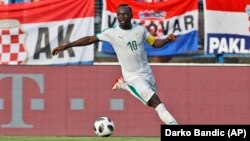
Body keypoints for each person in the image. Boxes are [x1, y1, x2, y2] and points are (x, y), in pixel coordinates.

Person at [52, 3, 178, 125]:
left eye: (125, 14)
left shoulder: (140, 30)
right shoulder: (112, 33)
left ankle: (124, 85)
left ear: (131, 15)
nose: (122, 17)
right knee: (157, 103)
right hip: (133, 77)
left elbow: (155, 43)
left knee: (151, 102)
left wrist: (167, 39)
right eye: (119, 15)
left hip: (147, 73)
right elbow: (90, 39)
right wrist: (67, 45)